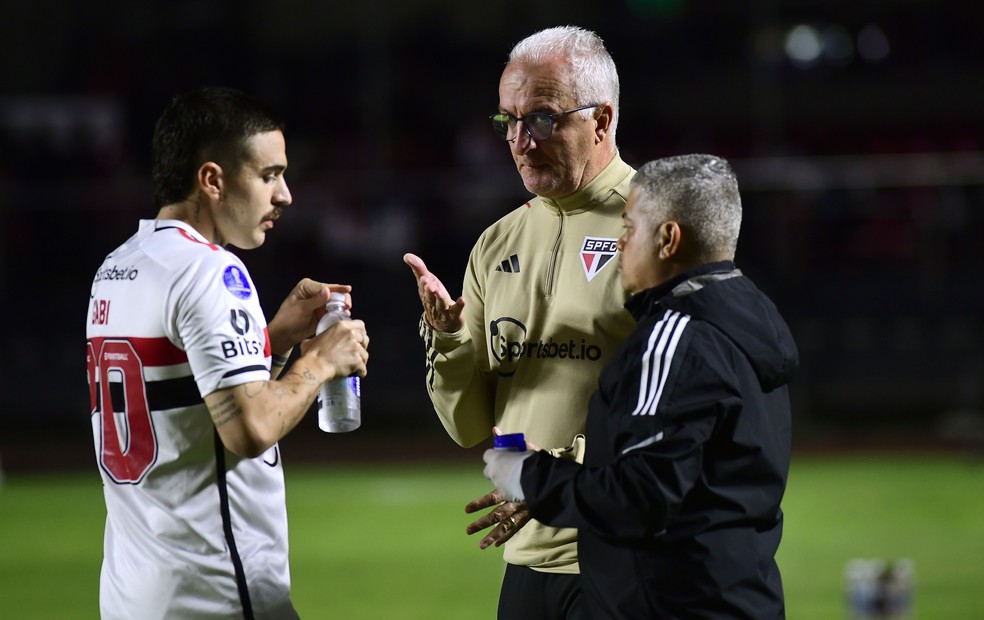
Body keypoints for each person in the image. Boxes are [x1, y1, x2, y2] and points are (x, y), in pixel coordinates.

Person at [85, 86, 370, 619]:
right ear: (212, 180)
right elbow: (249, 429)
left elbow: (183, 392)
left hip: (131, 594)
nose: (284, 195)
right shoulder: (210, 269)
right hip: (214, 592)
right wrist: (323, 359)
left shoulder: (118, 266)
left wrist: (274, 339)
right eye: (269, 175)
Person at [483, 154, 799, 618]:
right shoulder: (749, 317)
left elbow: (641, 497)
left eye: (629, 228)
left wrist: (529, 478)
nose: (620, 242)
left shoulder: (675, 337)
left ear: (669, 239)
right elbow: (679, 478)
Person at [404, 26, 635, 619]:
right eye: (507, 121)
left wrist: (559, 475)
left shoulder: (656, 226)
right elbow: (467, 426)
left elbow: (681, 409)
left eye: (539, 119)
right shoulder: (495, 243)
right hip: (526, 565)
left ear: (601, 120)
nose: (518, 141)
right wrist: (450, 341)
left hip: (628, 557)